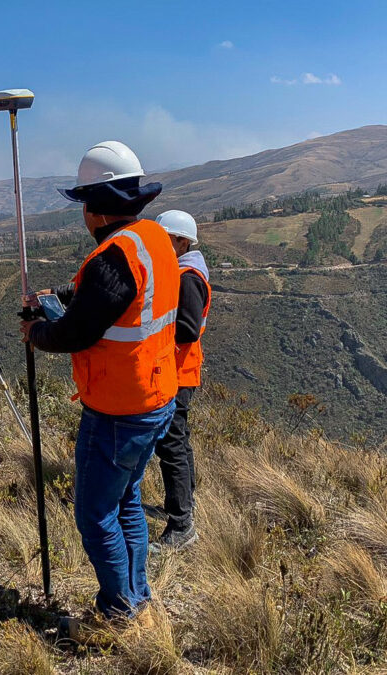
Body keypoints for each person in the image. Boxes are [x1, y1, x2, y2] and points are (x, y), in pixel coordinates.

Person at [20, 140, 179, 618]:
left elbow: (77, 332)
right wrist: (63, 294)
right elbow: (117, 298)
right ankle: (136, 596)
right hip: (156, 398)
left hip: (118, 411)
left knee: (95, 515)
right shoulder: (153, 238)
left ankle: (118, 610)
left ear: (95, 208)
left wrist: (37, 333)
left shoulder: (113, 258)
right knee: (126, 500)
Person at [152, 210, 211, 550]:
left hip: (178, 370)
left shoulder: (187, 278)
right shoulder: (185, 271)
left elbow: (187, 329)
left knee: (171, 444)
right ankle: (183, 505)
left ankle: (181, 525)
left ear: (182, 241)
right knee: (178, 440)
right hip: (181, 369)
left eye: (166, 240)